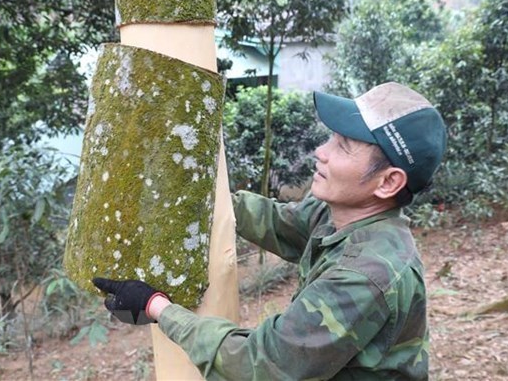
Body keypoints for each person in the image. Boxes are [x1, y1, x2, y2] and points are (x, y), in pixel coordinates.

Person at [93, 82, 447, 380]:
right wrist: (194, 193)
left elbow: (261, 363)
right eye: (331, 139)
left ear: (388, 183)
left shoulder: (367, 274)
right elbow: (280, 222)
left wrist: (157, 307)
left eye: (343, 146)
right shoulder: (341, 215)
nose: (320, 152)